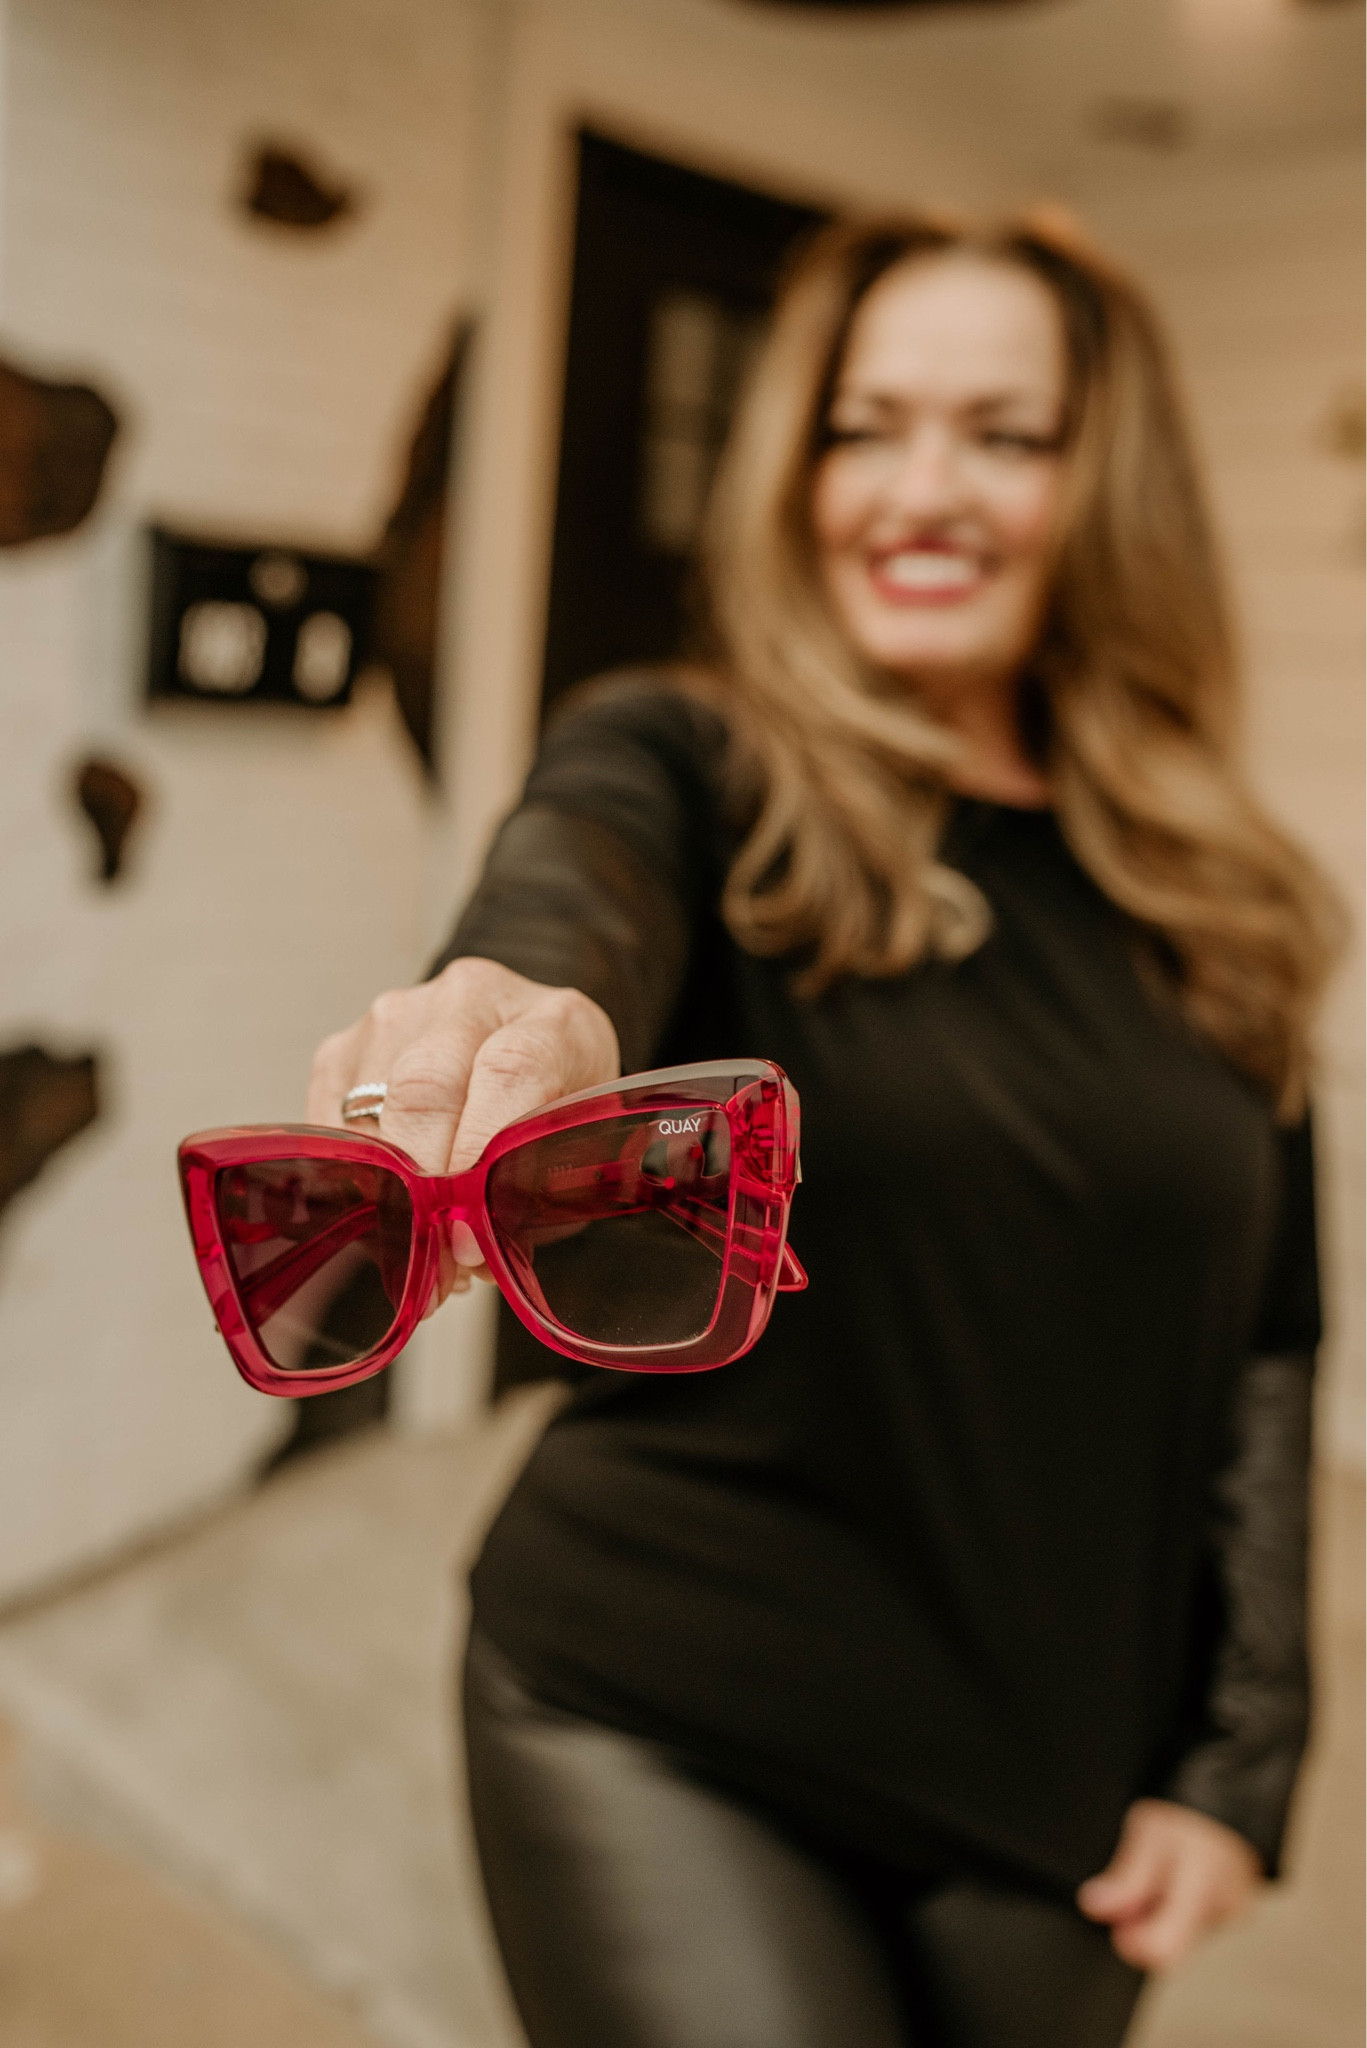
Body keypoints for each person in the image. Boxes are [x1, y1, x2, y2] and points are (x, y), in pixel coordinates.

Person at [308, 213, 1342, 2048]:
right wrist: (515, 1001)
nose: (917, 491)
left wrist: (1247, 1750)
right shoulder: (695, 760)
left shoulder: (1224, 898)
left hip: (1053, 1781)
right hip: (663, 1708)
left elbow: (1267, 1337)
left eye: (1003, 435)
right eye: (865, 426)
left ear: (1111, 487)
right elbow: (579, 876)